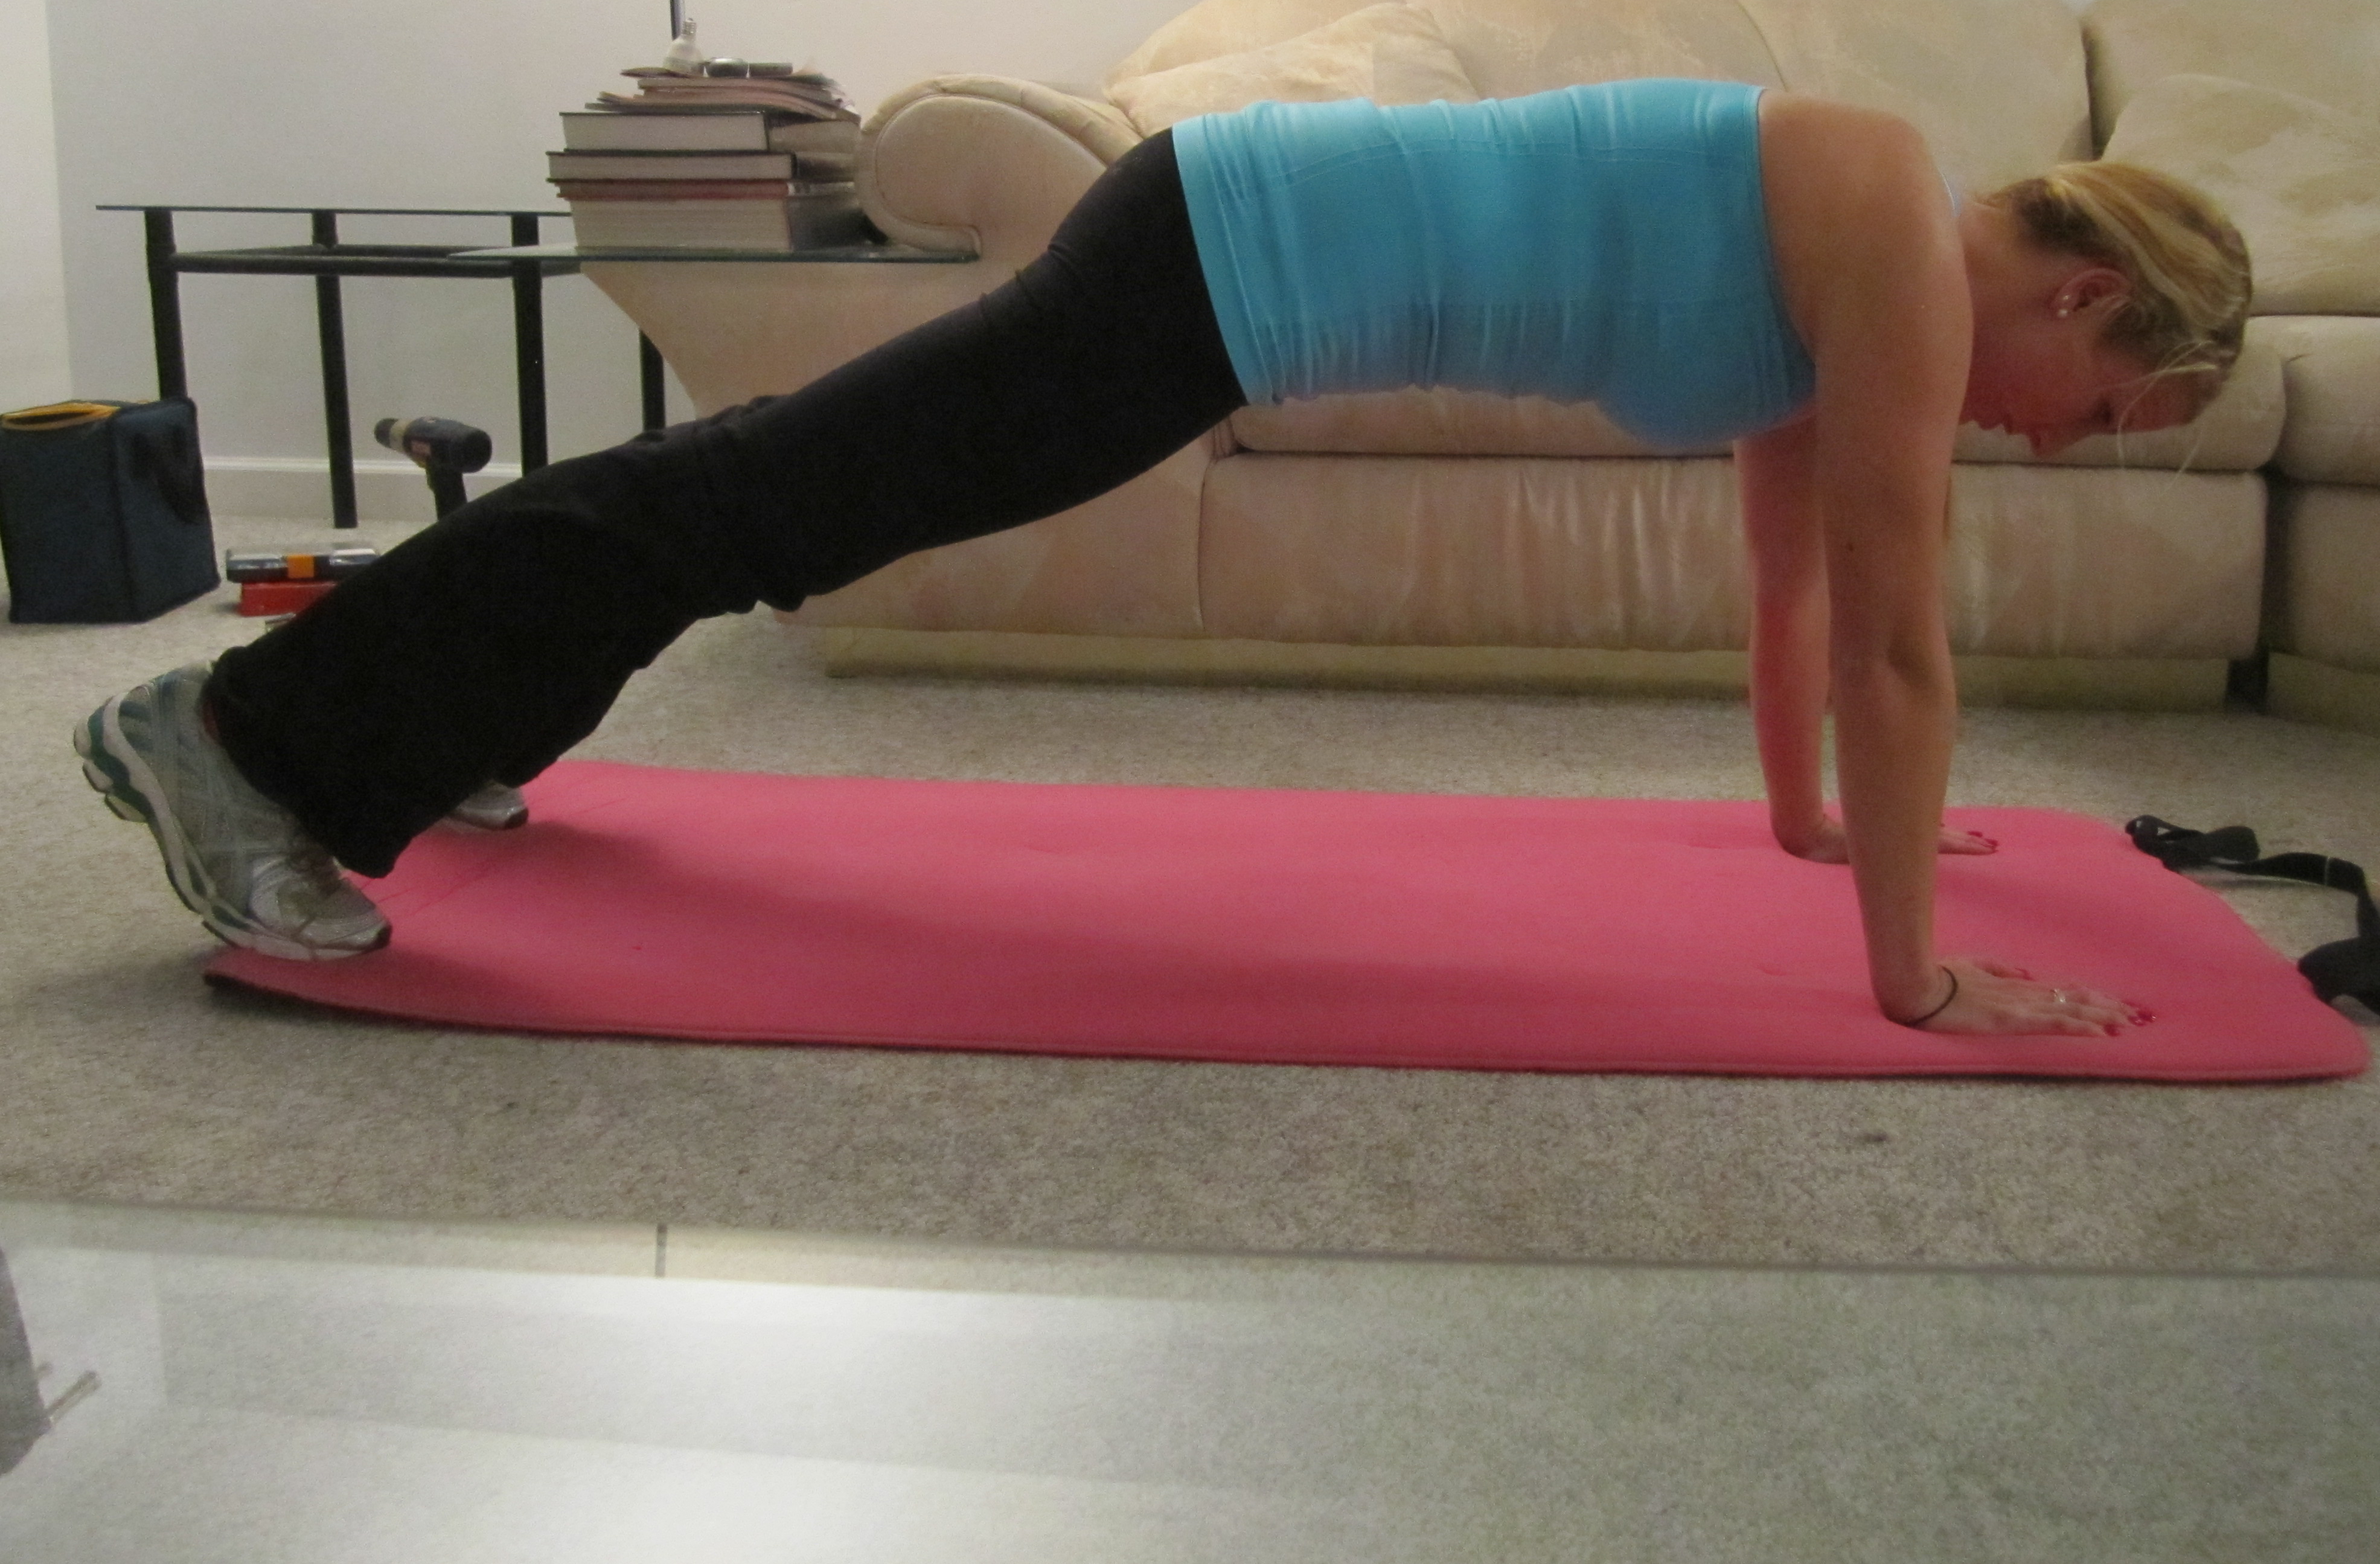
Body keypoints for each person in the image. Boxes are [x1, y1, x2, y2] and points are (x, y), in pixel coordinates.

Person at [75, 79, 2248, 1036]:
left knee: (767, 501)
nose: (2050, 441)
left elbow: (1801, 598)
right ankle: (243, 741)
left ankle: (433, 718)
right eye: (2106, 412)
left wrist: (1816, 834)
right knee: (763, 505)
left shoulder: (1858, 264)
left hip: (1227, 259)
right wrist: (1915, 983)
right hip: (1222, 259)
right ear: (2087, 304)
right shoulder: (1900, 251)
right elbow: (1901, 645)